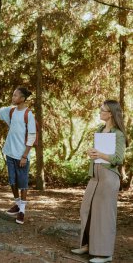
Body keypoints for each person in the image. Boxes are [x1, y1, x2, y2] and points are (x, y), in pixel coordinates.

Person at [71, 100, 128, 263]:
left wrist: (100, 154)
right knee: (86, 210)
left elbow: (118, 159)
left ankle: (105, 254)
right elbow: (97, 154)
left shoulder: (118, 134)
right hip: (95, 176)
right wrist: (92, 153)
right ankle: (88, 245)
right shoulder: (100, 129)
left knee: (104, 215)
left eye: (102, 110)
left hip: (109, 177)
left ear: (110, 113)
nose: (99, 112)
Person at [0, 86, 36, 225]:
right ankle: (17, 204)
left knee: (22, 183)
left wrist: (24, 156)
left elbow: (32, 135)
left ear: (23, 98)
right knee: (12, 181)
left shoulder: (28, 114)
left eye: (16, 96)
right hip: (10, 153)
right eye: (13, 95)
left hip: (22, 155)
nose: (13, 97)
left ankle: (22, 211)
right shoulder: (10, 111)